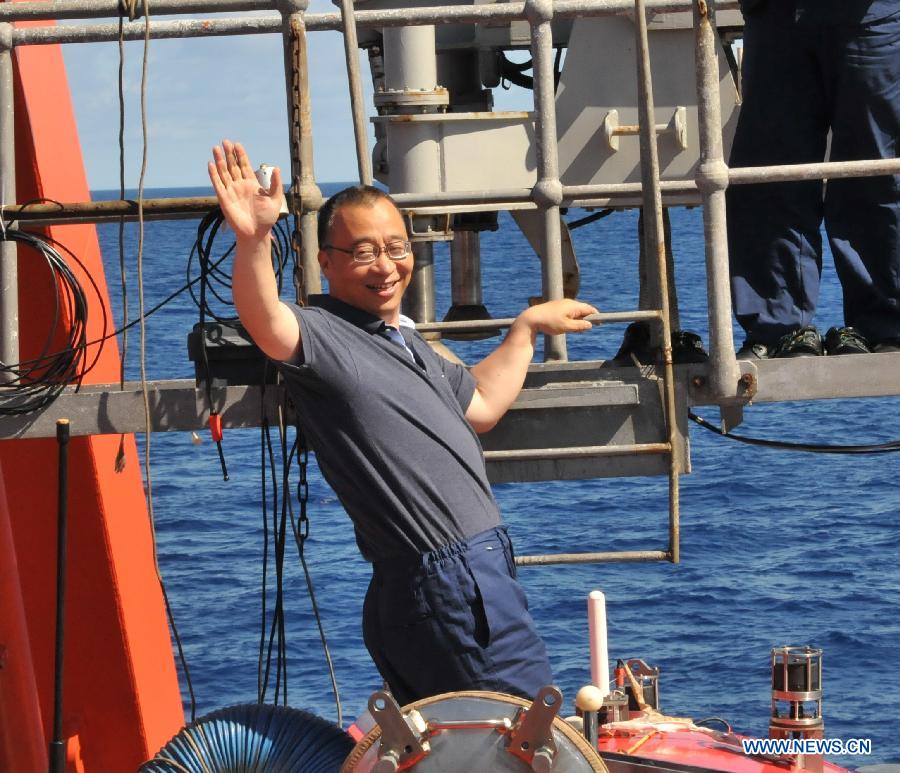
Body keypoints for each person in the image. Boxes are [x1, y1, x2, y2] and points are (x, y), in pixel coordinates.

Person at [208, 139, 599, 706]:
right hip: (451, 583)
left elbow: (482, 405)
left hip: (452, 581)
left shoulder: (410, 343)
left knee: (457, 750)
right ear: (327, 262)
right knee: (520, 739)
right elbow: (265, 319)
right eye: (363, 252)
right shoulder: (323, 335)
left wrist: (525, 330)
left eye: (396, 247)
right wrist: (254, 238)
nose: (386, 266)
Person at [727, 0, 900, 358]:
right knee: (768, 178)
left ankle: (887, 326)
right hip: (775, 16)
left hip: (870, 16)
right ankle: (777, 328)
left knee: (878, 173)